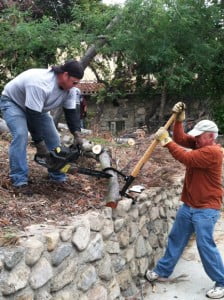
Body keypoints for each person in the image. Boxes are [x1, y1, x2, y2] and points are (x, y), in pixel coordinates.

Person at [145, 102, 224, 299]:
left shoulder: (213, 152)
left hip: (206, 208)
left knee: (205, 245)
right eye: (195, 135)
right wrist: (179, 120)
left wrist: (166, 141)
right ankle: (163, 271)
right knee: (176, 237)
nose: (195, 138)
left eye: (199, 136)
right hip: (190, 205)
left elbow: (185, 157)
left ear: (210, 137)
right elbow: (180, 138)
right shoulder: (200, 143)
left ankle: (222, 282)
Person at [0, 59, 84, 194]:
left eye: (76, 83)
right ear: (65, 75)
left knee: (54, 139)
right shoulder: (40, 84)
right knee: (21, 135)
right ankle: (19, 180)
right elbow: (33, 117)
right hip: (13, 103)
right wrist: (39, 144)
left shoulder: (71, 90)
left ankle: (57, 176)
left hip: (38, 109)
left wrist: (77, 134)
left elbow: (71, 113)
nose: (74, 86)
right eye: (73, 82)